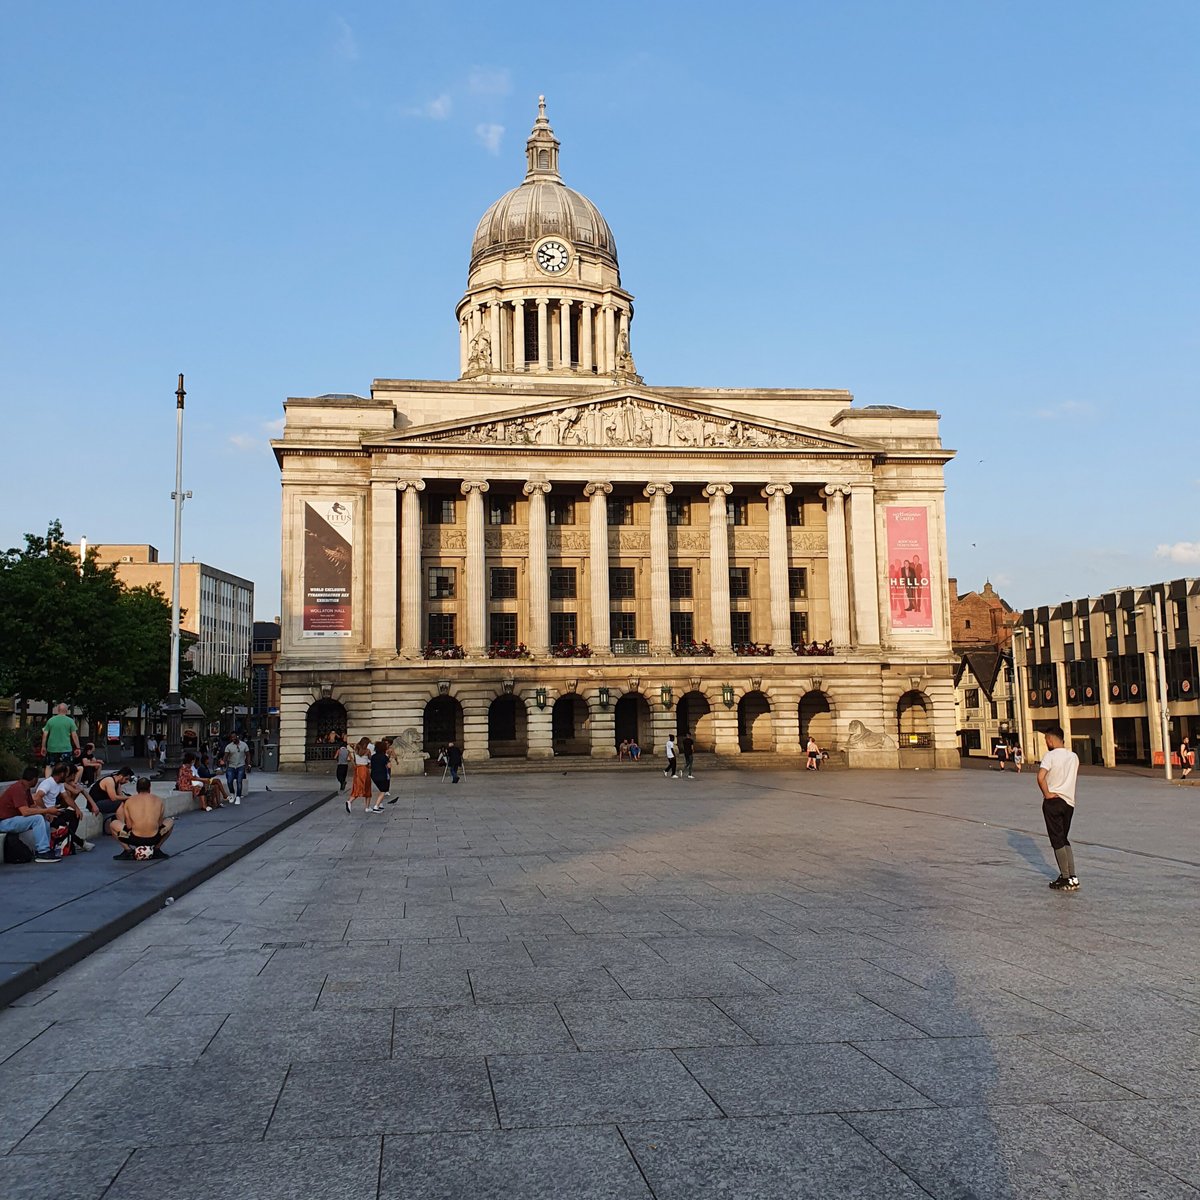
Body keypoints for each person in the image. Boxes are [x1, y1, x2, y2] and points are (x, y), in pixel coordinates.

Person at [1038, 724, 1081, 891]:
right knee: (1064, 838)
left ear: (1050, 740)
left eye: (1046, 740)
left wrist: (1047, 794)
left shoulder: (1050, 756)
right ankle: (1072, 876)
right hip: (1069, 802)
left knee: (1056, 840)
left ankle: (1064, 877)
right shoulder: (1073, 757)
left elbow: (1041, 777)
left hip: (1053, 801)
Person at [0, 767, 62, 862]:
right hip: (4, 822)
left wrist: (46, 813)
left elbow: (33, 806)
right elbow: (25, 811)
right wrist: (46, 810)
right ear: (34, 779)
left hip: (14, 819)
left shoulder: (26, 788)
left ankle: (47, 849)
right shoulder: (18, 789)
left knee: (44, 818)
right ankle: (42, 852)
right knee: (37, 818)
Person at [110, 777, 174, 861]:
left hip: (134, 838)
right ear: (149, 788)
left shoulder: (129, 801)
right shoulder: (158, 800)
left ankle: (128, 850)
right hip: (155, 837)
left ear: (137, 789)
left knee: (113, 824)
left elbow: (129, 826)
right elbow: (159, 824)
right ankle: (157, 849)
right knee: (170, 821)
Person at [35, 765, 95, 852]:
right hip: (46, 814)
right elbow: (37, 798)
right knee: (63, 825)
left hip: (55, 811)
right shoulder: (48, 783)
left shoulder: (60, 784)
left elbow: (66, 797)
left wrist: (77, 809)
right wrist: (47, 812)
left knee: (75, 815)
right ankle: (81, 843)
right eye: (66, 774)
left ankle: (69, 841)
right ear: (61, 774)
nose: (68, 777)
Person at [40, 703, 81, 775]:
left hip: (52, 748)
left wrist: (43, 746)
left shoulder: (51, 720)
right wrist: (78, 747)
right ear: (66, 711)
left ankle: (48, 782)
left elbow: (45, 735)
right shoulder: (70, 721)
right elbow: (74, 735)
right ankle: (64, 783)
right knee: (66, 767)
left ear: (57, 710)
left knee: (50, 766)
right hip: (66, 749)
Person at [222, 731, 250, 805]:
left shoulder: (244, 745)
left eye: (234, 737)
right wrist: (223, 761)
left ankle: (238, 797)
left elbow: (248, 755)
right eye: (231, 738)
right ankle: (232, 794)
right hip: (231, 766)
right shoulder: (228, 746)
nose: (233, 739)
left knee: (239, 781)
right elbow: (225, 756)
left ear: (237, 736)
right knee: (229, 781)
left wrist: (248, 764)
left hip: (241, 765)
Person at [349, 737, 373, 812]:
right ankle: (367, 807)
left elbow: (351, 746)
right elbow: (370, 760)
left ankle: (350, 801)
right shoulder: (367, 751)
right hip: (364, 769)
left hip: (358, 769)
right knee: (367, 787)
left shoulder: (356, 750)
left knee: (357, 785)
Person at [369, 737, 393, 810]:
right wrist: (389, 759)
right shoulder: (384, 756)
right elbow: (389, 766)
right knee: (383, 790)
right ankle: (376, 806)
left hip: (374, 775)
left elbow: (370, 765)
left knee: (381, 789)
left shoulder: (373, 756)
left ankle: (380, 804)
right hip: (382, 775)